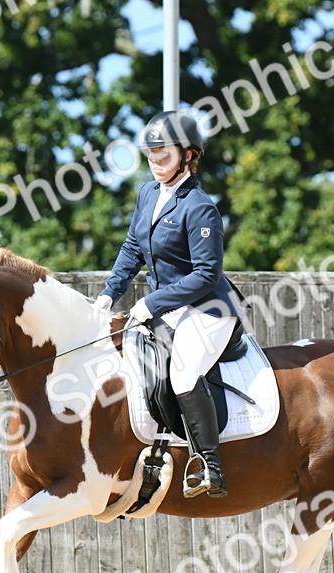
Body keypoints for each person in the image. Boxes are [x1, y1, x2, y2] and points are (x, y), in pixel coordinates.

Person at [94, 110, 244, 499]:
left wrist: (152, 302)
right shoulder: (147, 194)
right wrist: (110, 291)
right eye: (151, 154)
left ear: (188, 155)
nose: (156, 160)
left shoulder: (200, 207)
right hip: (171, 307)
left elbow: (206, 273)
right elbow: (132, 248)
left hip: (209, 308)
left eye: (164, 153)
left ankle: (210, 466)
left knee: (182, 373)